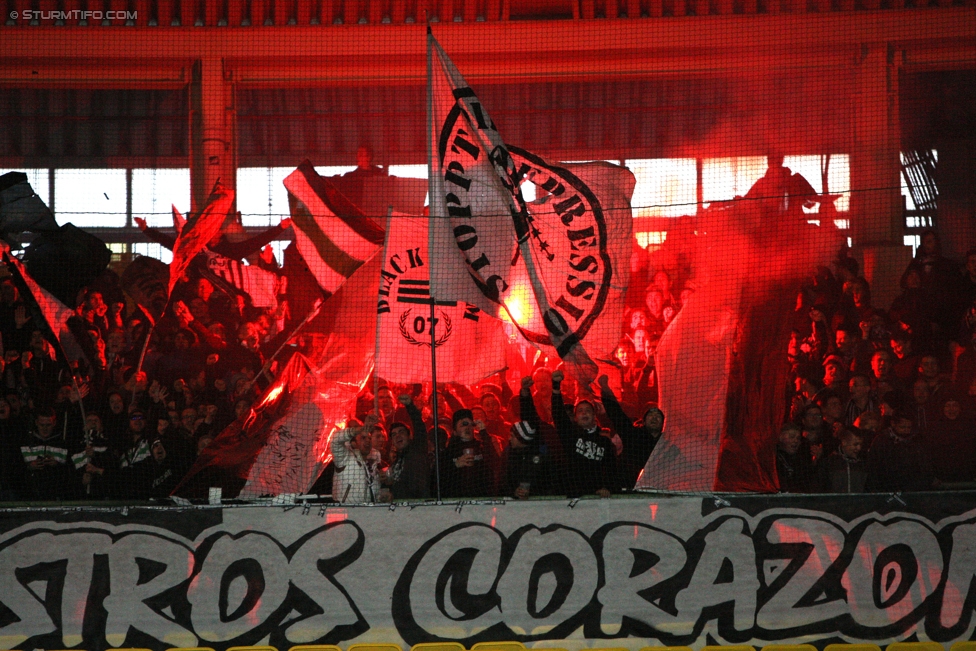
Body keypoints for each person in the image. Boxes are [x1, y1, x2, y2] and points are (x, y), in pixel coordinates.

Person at [551, 370, 616, 498]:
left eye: (588, 411)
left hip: (595, 498)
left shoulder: (605, 443)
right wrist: (556, 387)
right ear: (575, 417)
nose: (584, 413)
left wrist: (607, 487)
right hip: (573, 497)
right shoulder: (570, 435)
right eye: (580, 411)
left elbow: (611, 470)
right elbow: (558, 414)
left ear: (594, 416)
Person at [596, 374, 663, 490]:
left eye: (658, 416)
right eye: (650, 415)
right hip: (627, 487)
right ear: (644, 421)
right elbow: (617, 415)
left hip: (657, 487)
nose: (654, 418)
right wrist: (605, 390)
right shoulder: (634, 436)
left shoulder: (666, 442)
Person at [866, 409, 935, 493]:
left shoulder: (917, 440)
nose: (906, 430)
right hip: (887, 489)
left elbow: (924, 465)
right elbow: (874, 467)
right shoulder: (882, 441)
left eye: (909, 427)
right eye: (902, 427)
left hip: (913, 490)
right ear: (893, 424)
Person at [441, 408, 498, 498]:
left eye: (469, 424)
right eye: (462, 425)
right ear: (455, 431)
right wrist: (455, 465)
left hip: (482, 499)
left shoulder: (481, 447)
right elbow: (440, 477)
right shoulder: (449, 452)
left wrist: (483, 433)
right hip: (457, 499)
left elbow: (495, 463)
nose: (467, 428)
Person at [382, 394, 430, 501]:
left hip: (418, 506)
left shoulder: (417, 450)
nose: (397, 436)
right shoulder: (395, 463)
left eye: (401, 432)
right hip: (400, 510)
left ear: (410, 436)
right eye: (394, 434)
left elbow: (419, 427)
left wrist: (410, 406)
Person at [331, 414, 381, 504]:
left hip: (367, 511)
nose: (367, 440)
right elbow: (335, 439)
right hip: (346, 510)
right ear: (353, 443)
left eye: (369, 438)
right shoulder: (344, 457)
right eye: (363, 438)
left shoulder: (373, 464)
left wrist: (380, 497)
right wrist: (359, 429)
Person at [819, 428, 868, 493]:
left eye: (860, 444)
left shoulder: (864, 462)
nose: (859, 448)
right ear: (844, 442)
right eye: (855, 444)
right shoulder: (830, 463)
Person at [776, 422, 816, 492]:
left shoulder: (801, 460)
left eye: (798, 438)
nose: (795, 441)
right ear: (781, 437)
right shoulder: (773, 459)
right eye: (791, 437)